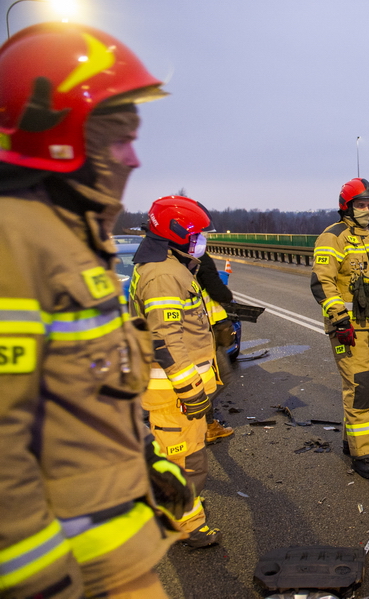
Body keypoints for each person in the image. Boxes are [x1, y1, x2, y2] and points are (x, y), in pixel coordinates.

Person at [0, 23, 190, 598]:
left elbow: (82, 393)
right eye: (117, 138)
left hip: (117, 555)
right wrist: (36, 580)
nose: (133, 158)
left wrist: (146, 460)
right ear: (59, 138)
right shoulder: (15, 241)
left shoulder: (72, 239)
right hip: (75, 575)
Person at [129, 195, 223, 548]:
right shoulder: (163, 275)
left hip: (178, 391)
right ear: (177, 232)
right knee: (180, 461)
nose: (202, 241)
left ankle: (187, 509)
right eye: (197, 234)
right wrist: (190, 390)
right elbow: (165, 340)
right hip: (172, 393)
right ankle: (186, 525)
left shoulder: (170, 266)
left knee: (190, 456)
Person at [310, 178, 369, 479]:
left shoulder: (368, 238)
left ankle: (353, 442)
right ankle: (363, 456)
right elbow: (322, 283)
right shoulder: (332, 237)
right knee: (360, 390)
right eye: (360, 204)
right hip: (348, 331)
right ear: (346, 206)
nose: (367, 210)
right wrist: (339, 320)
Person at [196, 251, 236, 443]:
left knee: (204, 379)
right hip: (208, 329)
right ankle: (196, 418)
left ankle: (209, 425)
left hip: (193, 330)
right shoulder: (199, 259)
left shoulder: (164, 258)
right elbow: (220, 292)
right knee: (220, 378)